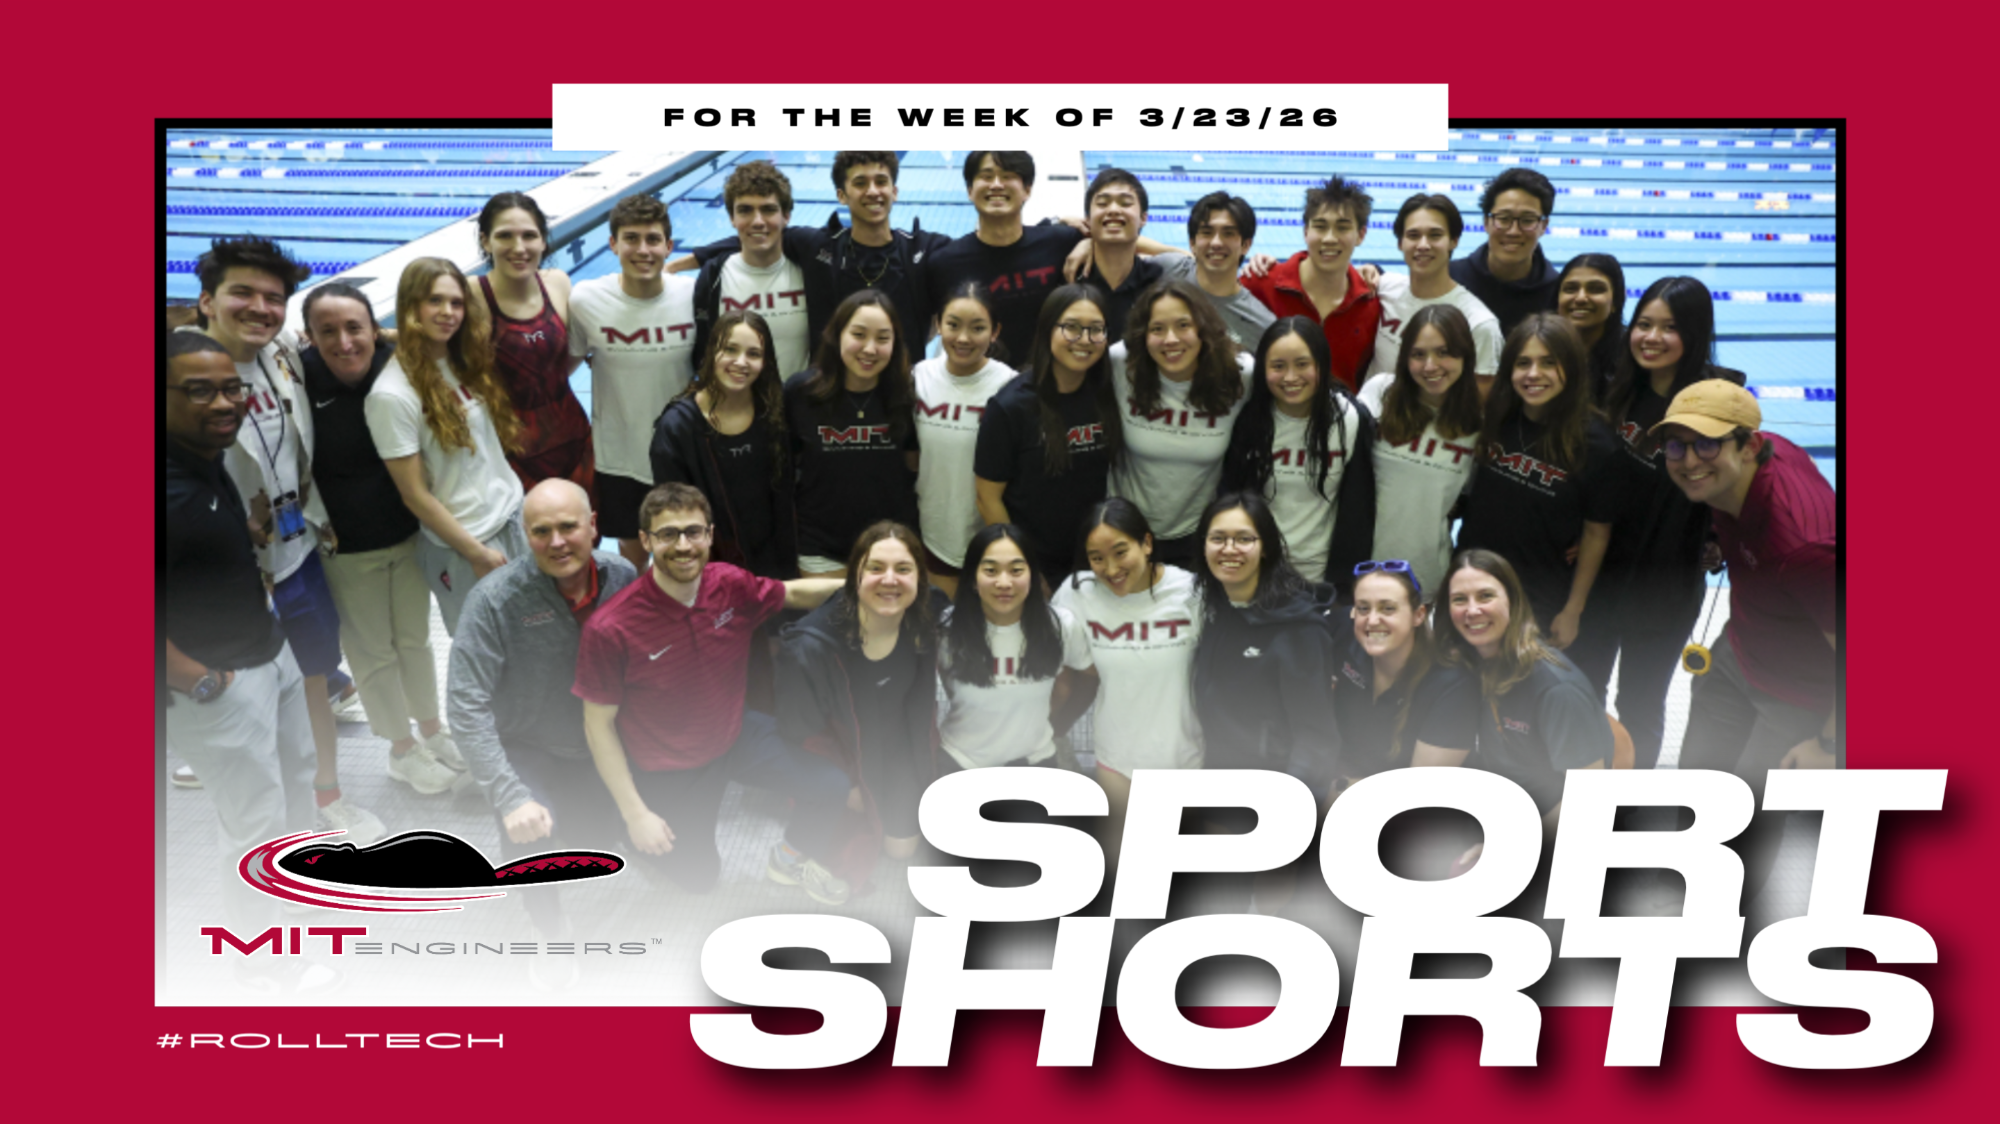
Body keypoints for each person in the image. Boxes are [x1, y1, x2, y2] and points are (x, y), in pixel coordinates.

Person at [576, 484, 852, 901]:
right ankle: (624, 823)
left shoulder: (729, 585)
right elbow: (598, 727)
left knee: (832, 784)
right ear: (646, 540)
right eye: (668, 534)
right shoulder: (611, 628)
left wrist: (872, 585)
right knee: (697, 878)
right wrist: (636, 815)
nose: (683, 545)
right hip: (670, 763)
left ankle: (790, 857)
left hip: (733, 734)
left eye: (693, 532)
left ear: (709, 534)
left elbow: (794, 592)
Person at [162, 331, 331, 995]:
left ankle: (299, 917)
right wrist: (191, 677)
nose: (223, 402)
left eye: (230, 387)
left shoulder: (206, 456)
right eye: (198, 390)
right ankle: (268, 961)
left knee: (295, 794)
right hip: (216, 685)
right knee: (255, 826)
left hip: (268, 653)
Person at [190, 237, 378, 829]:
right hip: (229, 581)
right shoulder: (176, 382)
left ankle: (325, 798)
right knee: (247, 707)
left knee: (315, 678)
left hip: (296, 557)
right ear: (205, 301)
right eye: (241, 293)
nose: (259, 308)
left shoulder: (283, 357)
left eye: (273, 298)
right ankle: (262, 827)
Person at [1651, 381, 1836, 907]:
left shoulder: (1803, 544)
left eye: (1707, 445)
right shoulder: (1743, 468)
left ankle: (1718, 921)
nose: (1688, 461)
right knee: (1698, 788)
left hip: (1797, 695)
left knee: (1749, 822)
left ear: (1748, 446)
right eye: (1677, 445)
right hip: (1740, 652)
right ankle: (1677, 887)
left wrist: (1828, 743)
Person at [448, 479, 637, 980]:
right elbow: (465, 707)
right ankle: (548, 931)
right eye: (541, 531)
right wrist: (509, 795)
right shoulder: (494, 601)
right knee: (530, 830)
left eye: (569, 527)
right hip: (527, 746)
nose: (557, 542)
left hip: (602, 743)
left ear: (593, 525)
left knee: (609, 844)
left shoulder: (624, 576)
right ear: (525, 536)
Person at [1571, 277, 1746, 768]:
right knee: (1583, 691)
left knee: (1641, 703)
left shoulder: (1717, 402)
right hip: (1603, 575)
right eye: (1643, 324)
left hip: (1667, 582)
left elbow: (1737, 481)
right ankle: (1577, 788)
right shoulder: (1617, 389)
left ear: (1693, 332)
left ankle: (1628, 800)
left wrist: (1716, 537)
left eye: (1668, 328)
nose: (1651, 337)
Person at [300, 281, 455, 814]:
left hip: (408, 533)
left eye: (354, 328)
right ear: (310, 336)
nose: (344, 342)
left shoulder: (396, 362)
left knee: (415, 639)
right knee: (373, 653)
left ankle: (432, 730)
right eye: (328, 332)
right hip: (347, 549)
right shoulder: (299, 378)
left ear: (374, 328)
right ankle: (400, 747)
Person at [366, 257, 527, 639]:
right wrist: (476, 553)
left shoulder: (462, 361)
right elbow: (415, 496)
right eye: (435, 301)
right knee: (489, 657)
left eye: (456, 303)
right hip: (466, 546)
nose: (448, 312)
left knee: (532, 645)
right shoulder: (391, 395)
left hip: (511, 519)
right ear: (410, 307)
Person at [775, 521, 951, 869]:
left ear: (919, 578)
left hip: (901, 746)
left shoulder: (927, 611)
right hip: (846, 754)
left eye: (903, 569)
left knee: (901, 850)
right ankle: (792, 849)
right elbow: (801, 733)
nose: (890, 580)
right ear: (855, 575)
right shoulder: (808, 648)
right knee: (842, 858)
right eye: (875, 568)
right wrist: (846, 783)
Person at [1456, 314, 1622, 662]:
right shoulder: (1496, 416)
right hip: (1471, 583)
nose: (1533, 374)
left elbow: (1596, 533)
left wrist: (1573, 610)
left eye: (1549, 363)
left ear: (1572, 368)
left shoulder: (1596, 442)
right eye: (1523, 363)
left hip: (1539, 595)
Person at [1050, 498, 1204, 862]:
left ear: (1147, 544)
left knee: (1176, 874)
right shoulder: (1076, 594)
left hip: (1187, 757)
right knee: (1123, 870)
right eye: (1097, 557)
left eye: (1121, 552)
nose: (1111, 568)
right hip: (1117, 759)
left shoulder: (1192, 593)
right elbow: (1078, 664)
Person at [675, 151, 950, 352]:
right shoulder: (820, 247)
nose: (873, 191)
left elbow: (970, 267)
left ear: (895, 191)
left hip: (901, 398)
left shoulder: (923, 248)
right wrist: (675, 266)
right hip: (831, 404)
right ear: (842, 195)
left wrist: (928, 327)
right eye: (860, 183)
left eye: (881, 181)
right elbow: (758, 234)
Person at [1428, 549, 1610, 833]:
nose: (1472, 610)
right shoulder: (1473, 662)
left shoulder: (1556, 691)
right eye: (1459, 600)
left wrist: (1513, 846)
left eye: (1486, 596)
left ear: (1512, 601)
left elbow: (1589, 802)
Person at [566, 193, 696, 570]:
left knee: (682, 551)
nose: (643, 249)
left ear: (669, 246)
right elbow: (561, 371)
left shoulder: (691, 295)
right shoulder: (586, 299)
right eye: (632, 238)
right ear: (612, 244)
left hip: (679, 455)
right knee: (633, 557)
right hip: (617, 457)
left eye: (653, 239)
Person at [1189, 493, 1339, 787]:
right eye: (1218, 538)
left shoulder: (1300, 629)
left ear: (1266, 547)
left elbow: (1316, 739)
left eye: (1244, 539)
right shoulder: (1209, 609)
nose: (1229, 549)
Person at [974, 285, 1122, 582]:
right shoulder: (1011, 406)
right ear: (1046, 329)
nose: (1084, 340)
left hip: (1097, 557)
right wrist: (1024, 566)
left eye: (1096, 330)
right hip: (1037, 563)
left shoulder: (1108, 393)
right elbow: (987, 498)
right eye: (1071, 328)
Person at [1222, 317, 1376, 590]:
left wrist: (1344, 582)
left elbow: (1359, 508)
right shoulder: (1249, 421)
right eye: (1278, 366)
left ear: (1321, 364)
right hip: (1257, 575)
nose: (1291, 377)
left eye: (1302, 364)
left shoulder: (1349, 418)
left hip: (1320, 579)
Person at [1109, 279, 1254, 566]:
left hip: (1197, 537)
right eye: (1157, 329)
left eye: (1183, 325)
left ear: (1203, 328)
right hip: (1123, 530)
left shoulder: (1239, 375)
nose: (1171, 340)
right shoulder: (1122, 362)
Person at [651, 309, 795, 579]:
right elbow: (672, 516)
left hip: (777, 562)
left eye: (753, 354)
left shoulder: (775, 413)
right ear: (711, 352)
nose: (741, 362)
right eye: (730, 349)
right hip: (712, 570)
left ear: (766, 362)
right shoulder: (677, 428)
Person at [936, 524, 1094, 770]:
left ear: (1032, 574)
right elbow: (950, 686)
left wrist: (1058, 724)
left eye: (1016, 570)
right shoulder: (946, 628)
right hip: (960, 761)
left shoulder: (1060, 625)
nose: (1004, 582)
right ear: (973, 579)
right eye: (990, 570)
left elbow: (1080, 681)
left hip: (1035, 761)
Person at [786, 291, 921, 577]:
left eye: (883, 338)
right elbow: (788, 466)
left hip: (890, 550)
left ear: (895, 343)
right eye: (859, 334)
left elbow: (912, 466)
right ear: (837, 335)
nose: (870, 349)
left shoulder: (908, 395)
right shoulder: (801, 393)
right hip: (820, 547)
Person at [1357, 304, 1485, 601]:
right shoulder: (1380, 393)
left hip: (1427, 576)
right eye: (1418, 355)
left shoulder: (1476, 426)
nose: (1430, 366)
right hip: (1359, 568)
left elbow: (1464, 503)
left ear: (1465, 355)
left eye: (1444, 353)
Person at [474, 191, 593, 494]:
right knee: (530, 538)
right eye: (505, 236)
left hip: (574, 438)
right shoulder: (471, 296)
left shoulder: (557, 282)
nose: (519, 247)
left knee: (584, 531)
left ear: (543, 240)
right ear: (486, 241)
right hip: (512, 452)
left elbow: (573, 352)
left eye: (529, 235)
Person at [924, 152, 1087, 365]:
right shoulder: (945, 262)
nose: (996, 185)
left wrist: (1089, 242)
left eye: (1007, 176)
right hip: (979, 386)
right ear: (970, 191)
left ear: (1027, 190)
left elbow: (1121, 241)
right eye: (987, 176)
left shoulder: (1060, 242)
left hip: (1046, 382)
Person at [1331, 561, 1475, 789]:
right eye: (1363, 608)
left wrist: (1340, 790)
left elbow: (1419, 791)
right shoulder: (1347, 642)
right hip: (1340, 785)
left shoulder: (1452, 684)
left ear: (1418, 615)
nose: (1372, 620)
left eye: (1388, 608)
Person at [913, 283, 1017, 594]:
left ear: (995, 332)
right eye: (953, 325)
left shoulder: (1010, 386)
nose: (963, 338)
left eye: (977, 328)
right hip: (933, 532)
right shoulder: (918, 377)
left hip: (990, 536)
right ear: (937, 325)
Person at [1241, 175, 1382, 392]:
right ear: (1306, 232)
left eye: (1342, 228)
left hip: (1340, 422)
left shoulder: (1371, 305)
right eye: (1320, 226)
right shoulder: (1260, 285)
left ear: (1361, 235)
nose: (1329, 238)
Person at [1365, 193, 1505, 390]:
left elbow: (1480, 405)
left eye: (1435, 235)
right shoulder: (1382, 287)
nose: (1423, 245)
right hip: (1371, 415)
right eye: (1413, 235)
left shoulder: (1478, 323)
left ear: (1453, 241)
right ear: (1399, 243)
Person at [692, 161, 812, 380]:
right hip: (737, 409)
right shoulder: (714, 277)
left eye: (768, 209)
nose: (757, 222)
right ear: (732, 218)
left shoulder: (810, 273)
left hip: (799, 408)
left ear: (786, 216)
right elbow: (703, 352)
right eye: (745, 210)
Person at [1151, 191, 1277, 349]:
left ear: (1246, 245)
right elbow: (1121, 251)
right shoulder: (1168, 269)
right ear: (1192, 243)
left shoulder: (1261, 324)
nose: (1216, 243)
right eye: (1207, 233)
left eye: (1228, 233)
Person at [1450, 168, 1564, 337]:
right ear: (1486, 222)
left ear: (1544, 226)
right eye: (1503, 218)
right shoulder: (1450, 278)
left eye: (1527, 220)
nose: (1514, 231)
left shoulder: (1557, 292)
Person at [1555, 253, 1628, 399]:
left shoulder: (1630, 355)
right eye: (1570, 289)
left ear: (1615, 302)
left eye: (1595, 289)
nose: (1581, 298)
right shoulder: (1542, 347)